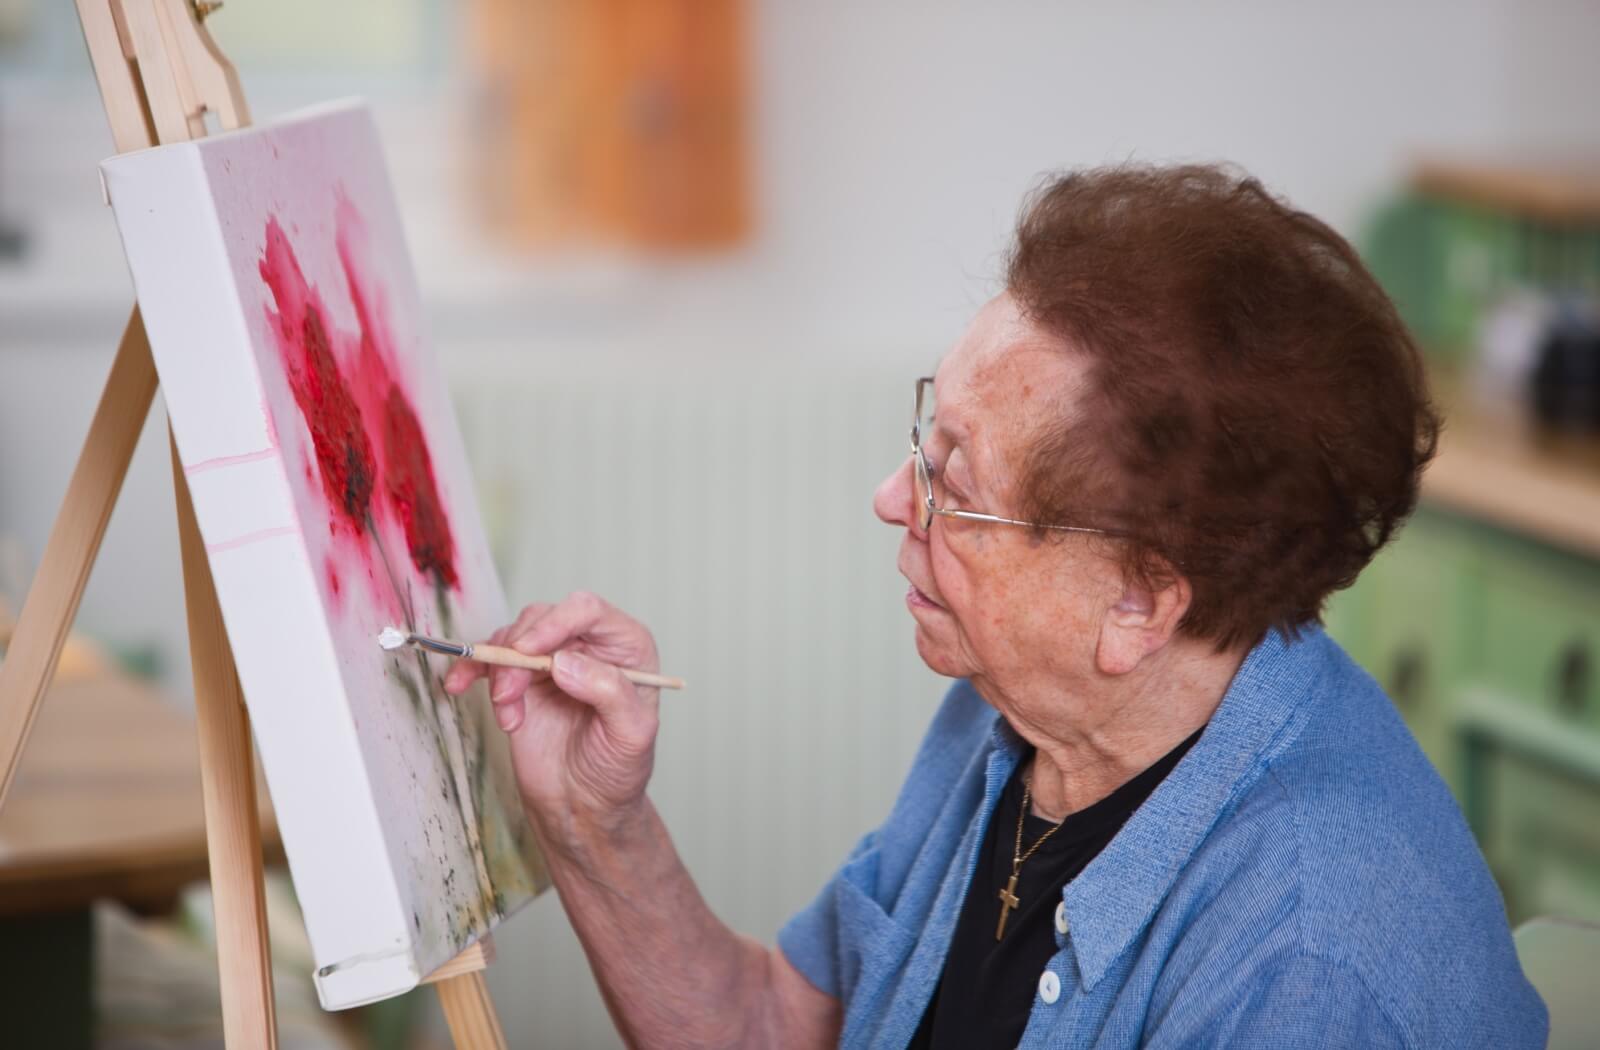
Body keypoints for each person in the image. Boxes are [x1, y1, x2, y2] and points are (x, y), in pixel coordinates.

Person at [445, 165, 1547, 1048]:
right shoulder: (1022, 714)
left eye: (952, 483)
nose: (891, 500)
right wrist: (594, 818)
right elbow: (777, 1026)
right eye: (925, 440)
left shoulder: (1304, 968)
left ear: (1138, 600)